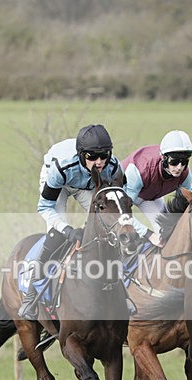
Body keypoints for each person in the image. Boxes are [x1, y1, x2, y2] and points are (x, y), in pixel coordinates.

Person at [18, 124, 128, 320]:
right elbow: (45, 207)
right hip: (60, 183)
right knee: (56, 235)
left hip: (87, 186)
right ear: (81, 155)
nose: (99, 162)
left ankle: (121, 291)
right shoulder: (62, 168)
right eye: (92, 157)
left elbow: (117, 202)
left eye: (104, 155)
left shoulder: (113, 167)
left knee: (107, 230)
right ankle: (32, 294)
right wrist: (68, 231)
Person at [122, 130, 192, 244]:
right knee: (126, 237)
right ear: (163, 158)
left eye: (184, 161)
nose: (179, 167)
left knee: (166, 236)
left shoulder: (185, 174)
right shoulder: (139, 171)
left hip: (149, 197)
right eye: (174, 162)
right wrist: (148, 234)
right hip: (120, 196)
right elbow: (122, 213)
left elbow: (189, 205)